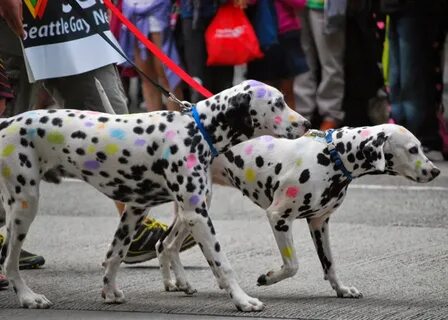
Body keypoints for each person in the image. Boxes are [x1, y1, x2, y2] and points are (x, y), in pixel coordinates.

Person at [0, 0, 192, 281]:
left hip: (75, 17)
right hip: (19, 18)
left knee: (113, 126)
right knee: (8, 130)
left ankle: (134, 226)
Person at [381, 0, 447, 161]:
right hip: (395, 8)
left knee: (411, 80)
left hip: (414, 9)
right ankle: (398, 138)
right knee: (397, 79)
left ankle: (417, 140)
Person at [119, 0, 184, 112]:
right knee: (147, 77)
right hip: (132, 8)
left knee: (167, 76)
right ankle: (154, 124)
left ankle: (177, 123)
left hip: (159, 10)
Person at [294, 0, 346, 130]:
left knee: (330, 61)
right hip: (296, 5)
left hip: (325, 6)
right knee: (301, 62)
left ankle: (331, 115)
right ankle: (302, 115)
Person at [246, 0, 309, 109]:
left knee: (286, 93)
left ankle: (291, 124)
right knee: (262, 95)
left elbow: (300, 3)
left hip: (286, 34)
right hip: (259, 36)